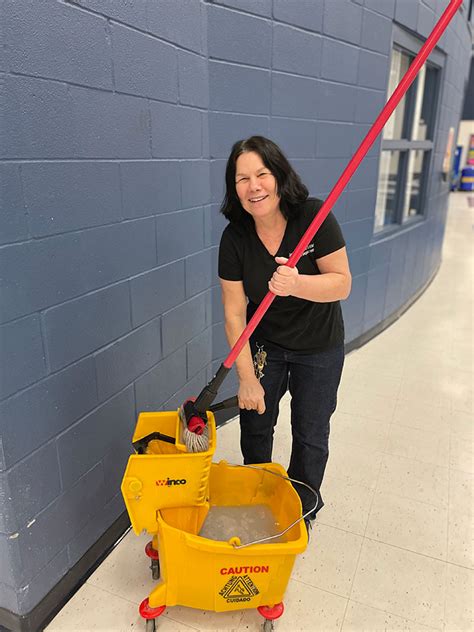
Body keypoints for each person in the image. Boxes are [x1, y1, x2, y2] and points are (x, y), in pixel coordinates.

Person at [218, 136, 351, 533]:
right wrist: (246, 379)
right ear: (234, 188)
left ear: (279, 176)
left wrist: (297, 284)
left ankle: (300, 510)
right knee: (255, 422)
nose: (253, 186)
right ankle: (257, 499)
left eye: (261, 174)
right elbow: (233, 312)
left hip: (319, 345)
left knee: (310, 432)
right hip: (266, 345)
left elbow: (341, 283)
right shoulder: (236, 238)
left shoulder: (314, 216)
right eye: (242, 178)